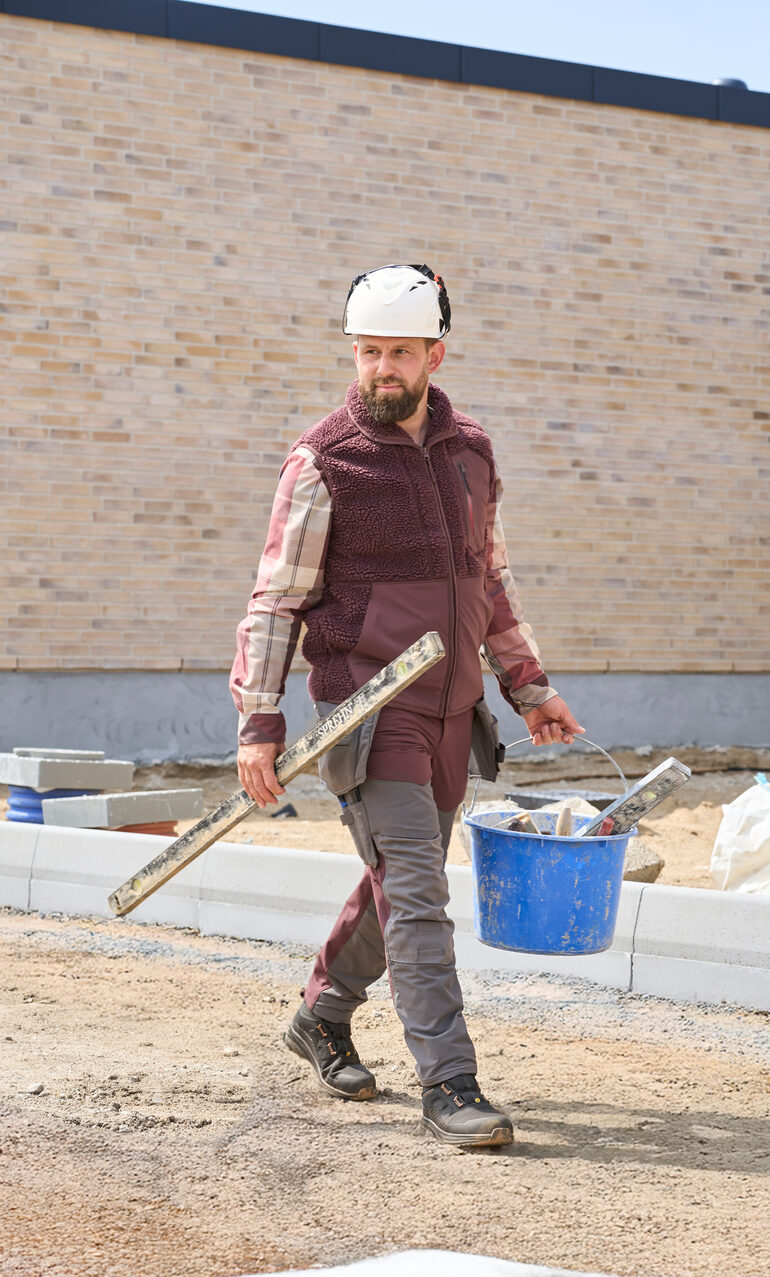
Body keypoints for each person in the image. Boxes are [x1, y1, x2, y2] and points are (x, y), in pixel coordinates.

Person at [230, 263, 583, 1148]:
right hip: (366, 707)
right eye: (366, 352)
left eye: (396, 352)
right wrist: (259, 723)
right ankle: (451, 1084)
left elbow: (488, 579)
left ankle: (322, 1013)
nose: (379, 369)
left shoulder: (472, 453)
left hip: (453, 707)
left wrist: (526, 685)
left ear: (435, 353)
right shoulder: (324, 461)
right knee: (419, 893)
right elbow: (275, 601)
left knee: (398, 881)